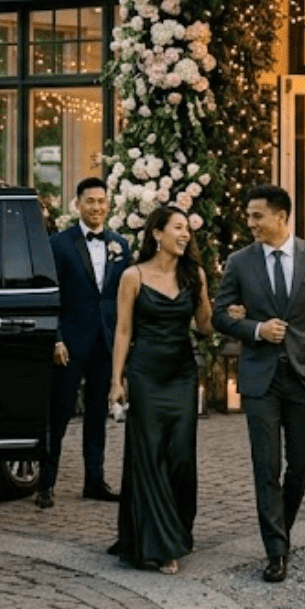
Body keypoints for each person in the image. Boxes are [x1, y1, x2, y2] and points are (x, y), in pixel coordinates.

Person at [211, 183, 305, 583]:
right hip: (260, 379)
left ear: (281, 216)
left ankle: (280, 529)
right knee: (265, 465)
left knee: (301, 463)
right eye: (249, 215)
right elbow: (220, 316)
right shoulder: (239, 261)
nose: (250, 223)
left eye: (257, 216)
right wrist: (255, 329)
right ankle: (276, 551)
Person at [105, 204, 214, 573]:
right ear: (157, 233)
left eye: (188, 229)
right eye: (178, 228)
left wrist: (234, 317)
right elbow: (123, 330)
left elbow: (205, 326)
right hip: (146, 375)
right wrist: (115, 380)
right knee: (149, 455)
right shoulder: (132, 276)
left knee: (181, 456)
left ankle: (175, 529)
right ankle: (161, 544)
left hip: (182, 374)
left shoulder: (194, 275)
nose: (185, 234)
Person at [37, 177, 130, 508]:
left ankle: (95, 480)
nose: (97, 207)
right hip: (70, 343)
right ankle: (46, 483)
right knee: (58, 413)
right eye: (90, 201)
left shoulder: (121, 245)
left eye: (102, 201)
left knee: (97, 414)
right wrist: (56, 337)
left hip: (105, 342)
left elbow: (123, 296)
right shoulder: (59, 244)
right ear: (78, 204)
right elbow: (51, 295)